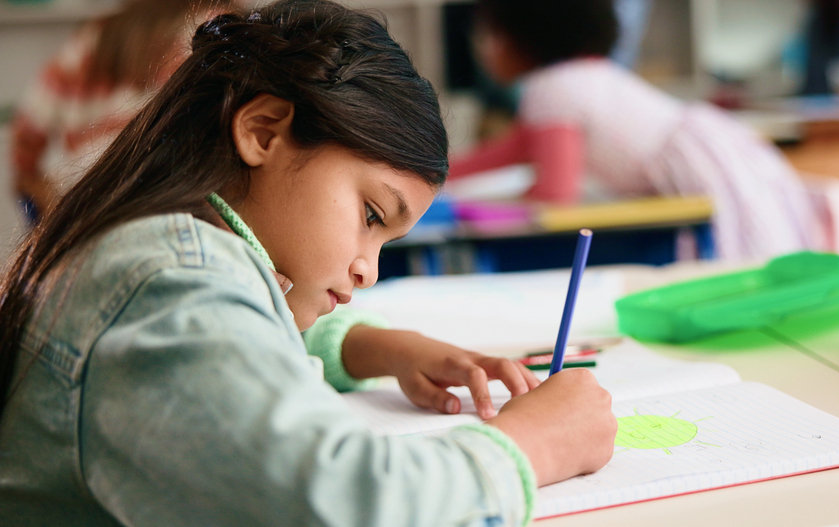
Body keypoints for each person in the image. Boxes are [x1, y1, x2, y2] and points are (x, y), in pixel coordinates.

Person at [0, 2, 617, 526]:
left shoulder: (169, 250)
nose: (367, 270)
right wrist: (534, 443)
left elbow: (239, 329)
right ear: (264, 132)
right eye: (372, 216)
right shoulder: (167, 284)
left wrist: (383, 348)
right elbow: (334, 503)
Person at [450, 0, 824, 261]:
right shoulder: (581, 75)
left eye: (490, 35)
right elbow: (511, 151)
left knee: (731, 254)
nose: (483, 51)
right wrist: (434, 171)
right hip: (712, 145)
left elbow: (555, 194)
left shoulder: (550, 88)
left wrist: (488, 208)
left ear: (522, 34)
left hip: (696, 164)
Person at [11, 0, 237, 223]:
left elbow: (27, 134)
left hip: (80, 200)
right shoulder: (216, 29)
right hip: (170, 205)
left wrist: (41, 195)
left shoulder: (97, 33)